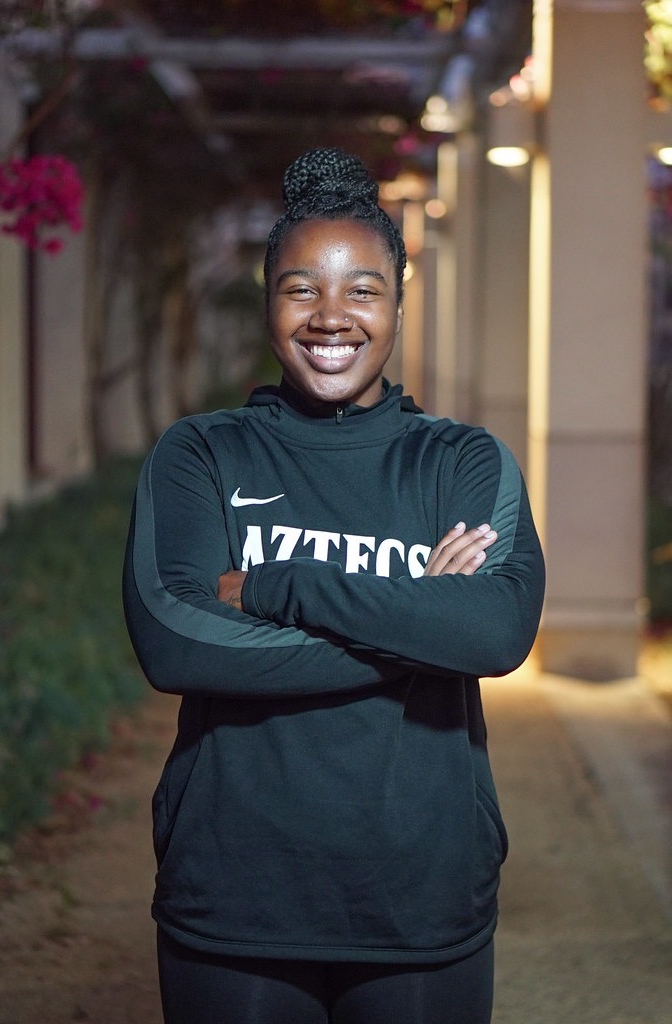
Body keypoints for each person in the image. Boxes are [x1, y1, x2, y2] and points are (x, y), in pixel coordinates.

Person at [123, 147, 545, 1024]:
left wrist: (277, 587)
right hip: (234, 893)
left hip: (421, 894)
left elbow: (497, 632)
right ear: (268, 301)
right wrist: (424, 629)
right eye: (301, 288)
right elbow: (177, 643)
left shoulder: (460, 461)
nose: (331, 316)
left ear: (397, 305)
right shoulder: (203, 454)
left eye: (363, 290)